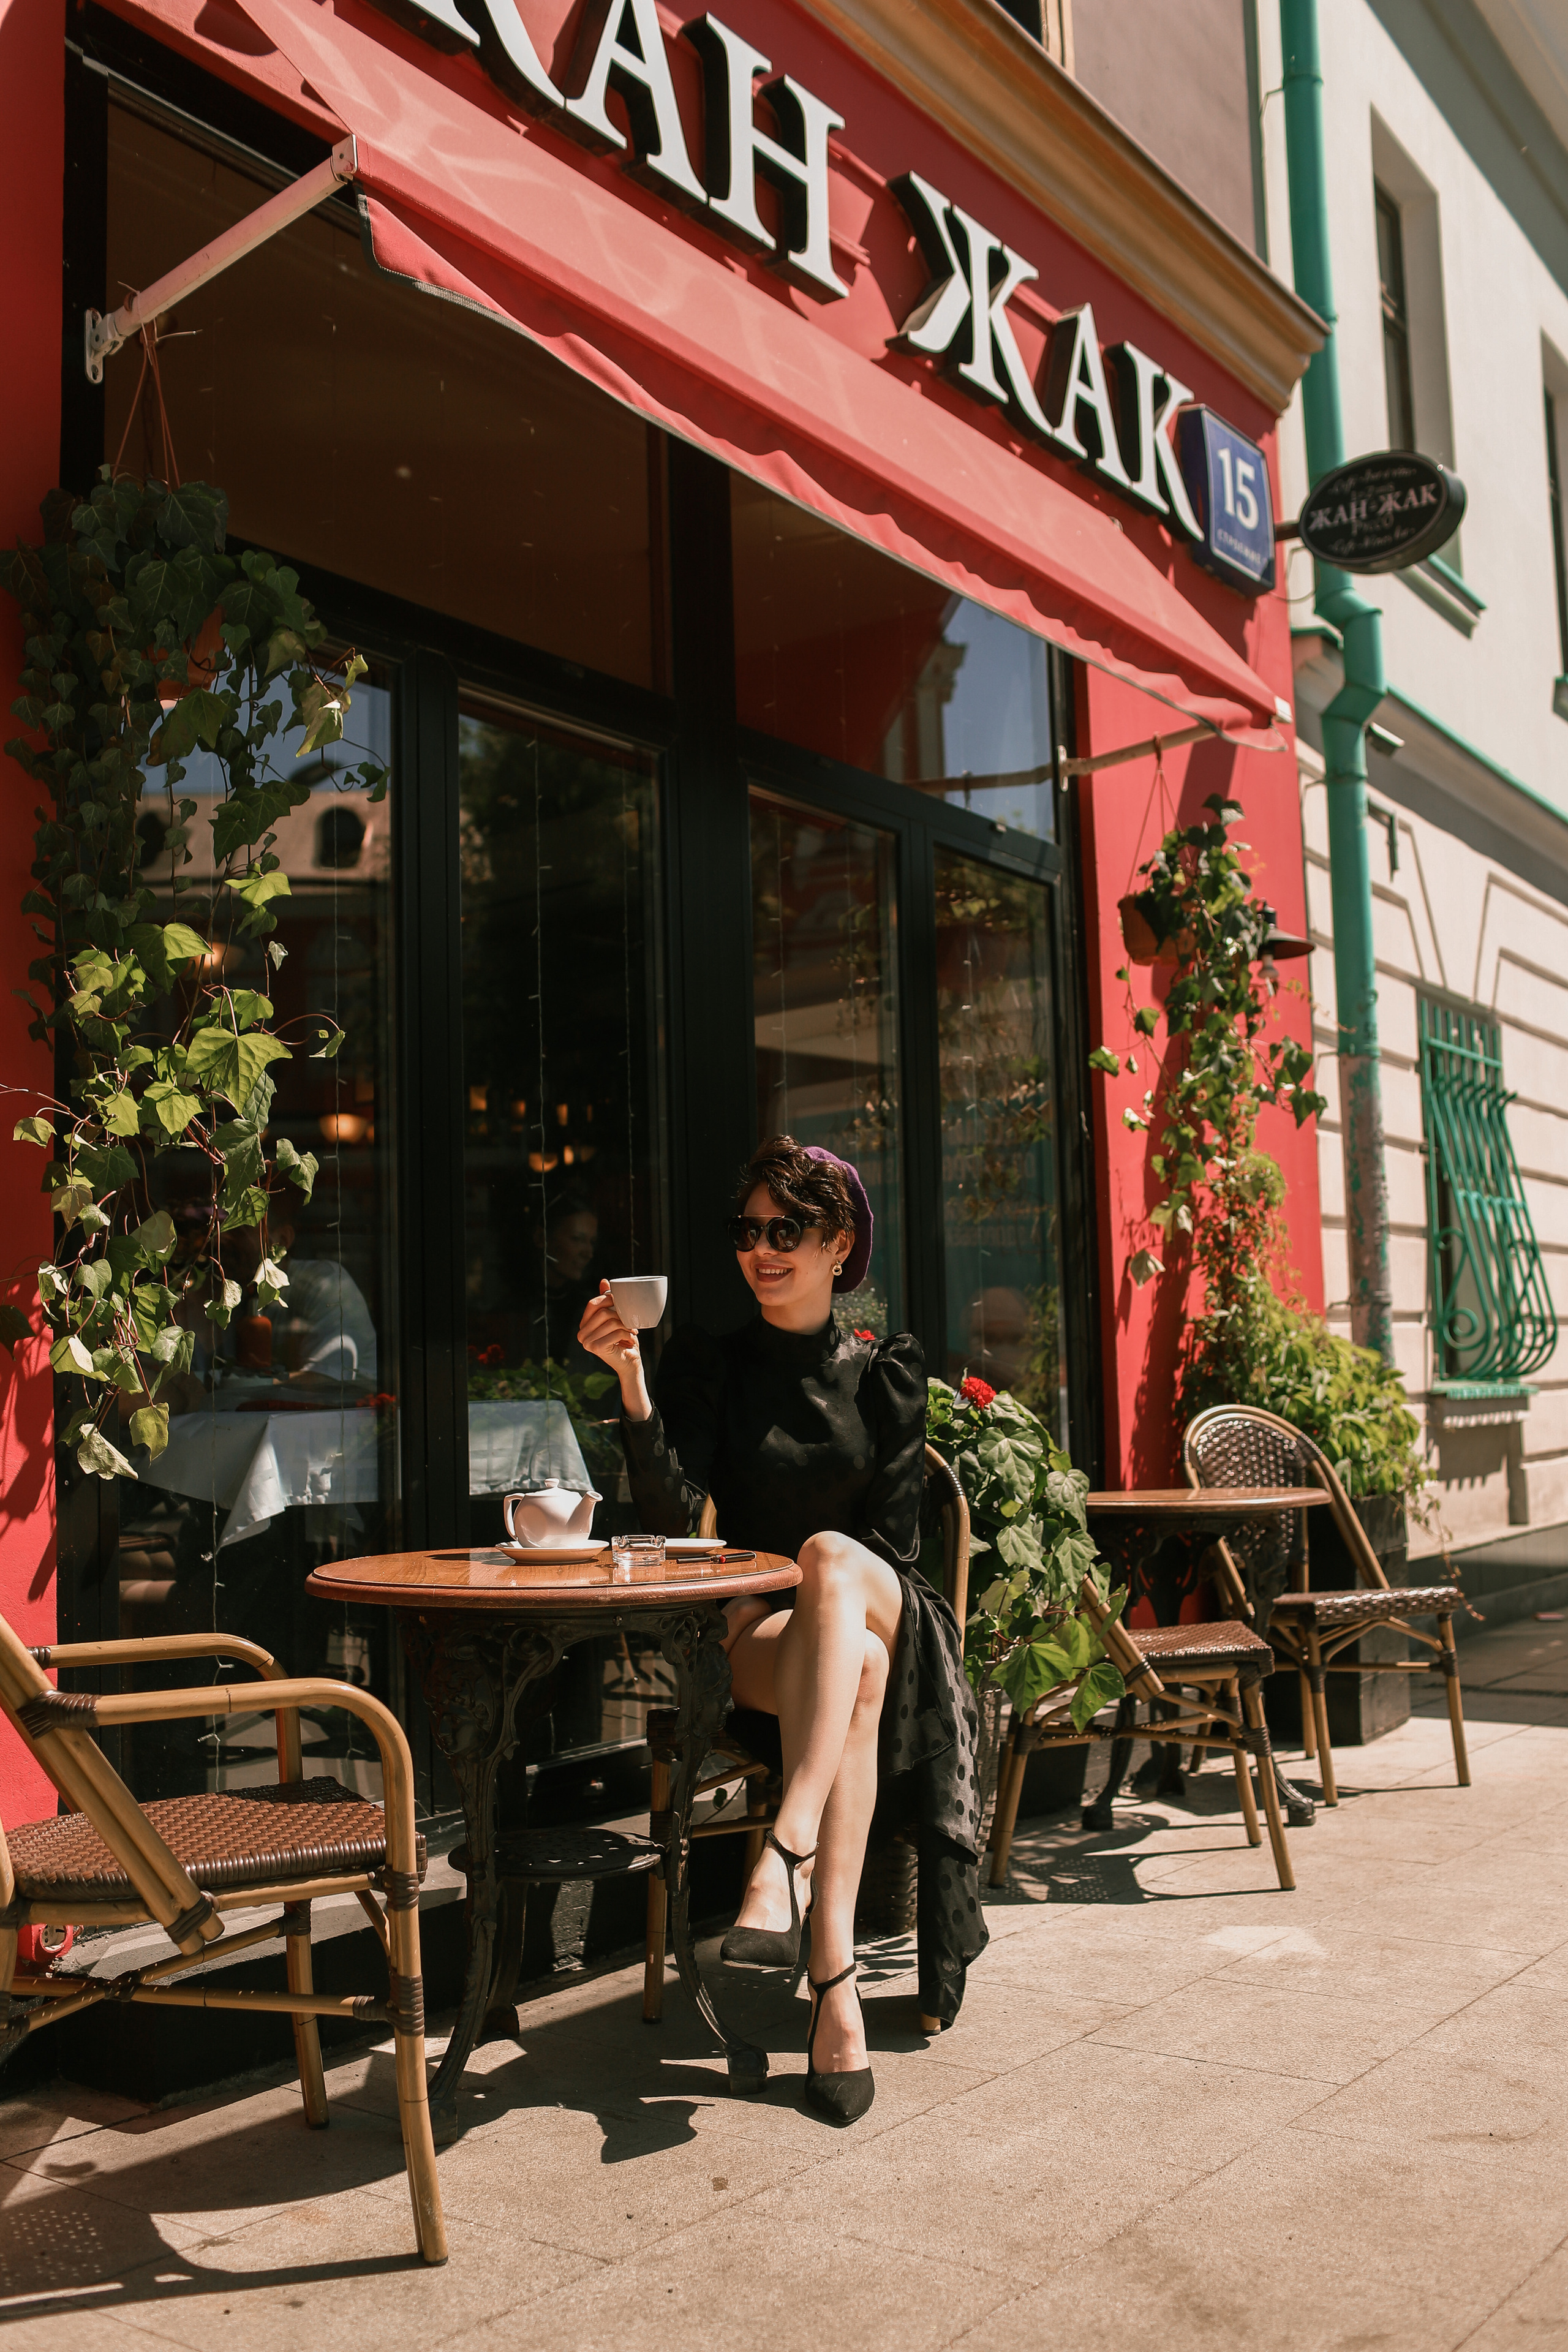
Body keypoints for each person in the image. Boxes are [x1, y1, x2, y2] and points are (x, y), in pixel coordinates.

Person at [578, 1136, 985, 2126]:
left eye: (787, 1230)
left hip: (884, 1597)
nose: (763, 1249)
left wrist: (824, 1577)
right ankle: (833, 1985)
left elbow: (893, 1541)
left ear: (839, 1245)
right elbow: (675, 1525)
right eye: (749, 1231)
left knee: (837, 1562)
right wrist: (633, 1384)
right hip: (769, 1643)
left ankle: (786, 1847)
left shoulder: (885, 1371)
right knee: (859, 1668)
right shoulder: (714, 1367)